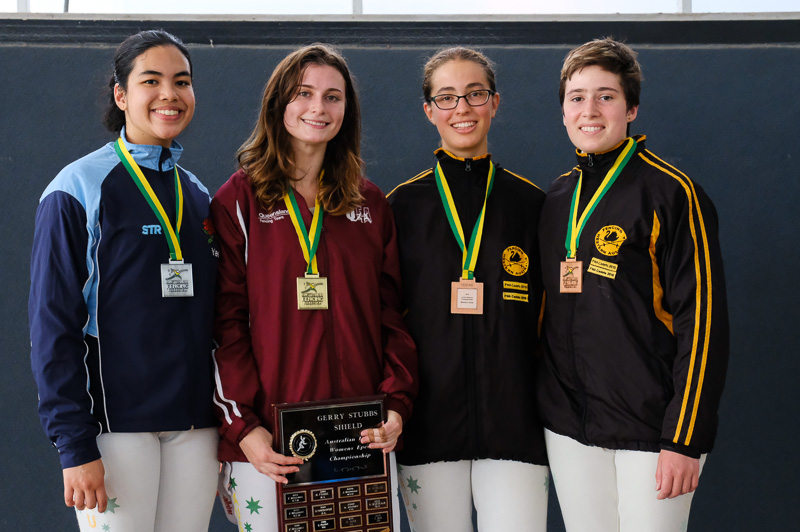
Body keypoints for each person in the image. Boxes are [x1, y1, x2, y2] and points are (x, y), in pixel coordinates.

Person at [210, 43, 418, 531]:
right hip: (271, 444)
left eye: (333, 97)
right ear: (278, 104)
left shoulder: (369, 203)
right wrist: (244, 427)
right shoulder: (237, 199)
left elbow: (394, 316)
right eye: (303, 94)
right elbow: (223, 324)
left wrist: (395, 405)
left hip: (360, 437)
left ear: (347, 110)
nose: (318, 109)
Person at [29, 30, 219, 532]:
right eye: (150, 81)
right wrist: (74, 444)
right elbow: (52, 324)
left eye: (182, 82)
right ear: (121, 94)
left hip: (195, 427)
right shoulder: (78, 187)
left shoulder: (197, 194)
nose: (169, 94)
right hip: (114, 426)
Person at [537, 37, 729, 531]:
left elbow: (703, 323)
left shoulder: (672, 192)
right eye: (577, 97)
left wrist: (684, 438)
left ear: (632, 108)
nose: (590, 110)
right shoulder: (558, 197)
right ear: (562, 111)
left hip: (653, 429)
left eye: (606, 95)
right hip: (571, 429)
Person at [387, 47, 549, 532]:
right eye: (447, 96)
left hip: (517, 429)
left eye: (475, 94)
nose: (462, 108)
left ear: (495, 103)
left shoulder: (532, 204)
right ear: (428, 110)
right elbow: (386, 319)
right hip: (428, 430)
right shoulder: (401, 207)